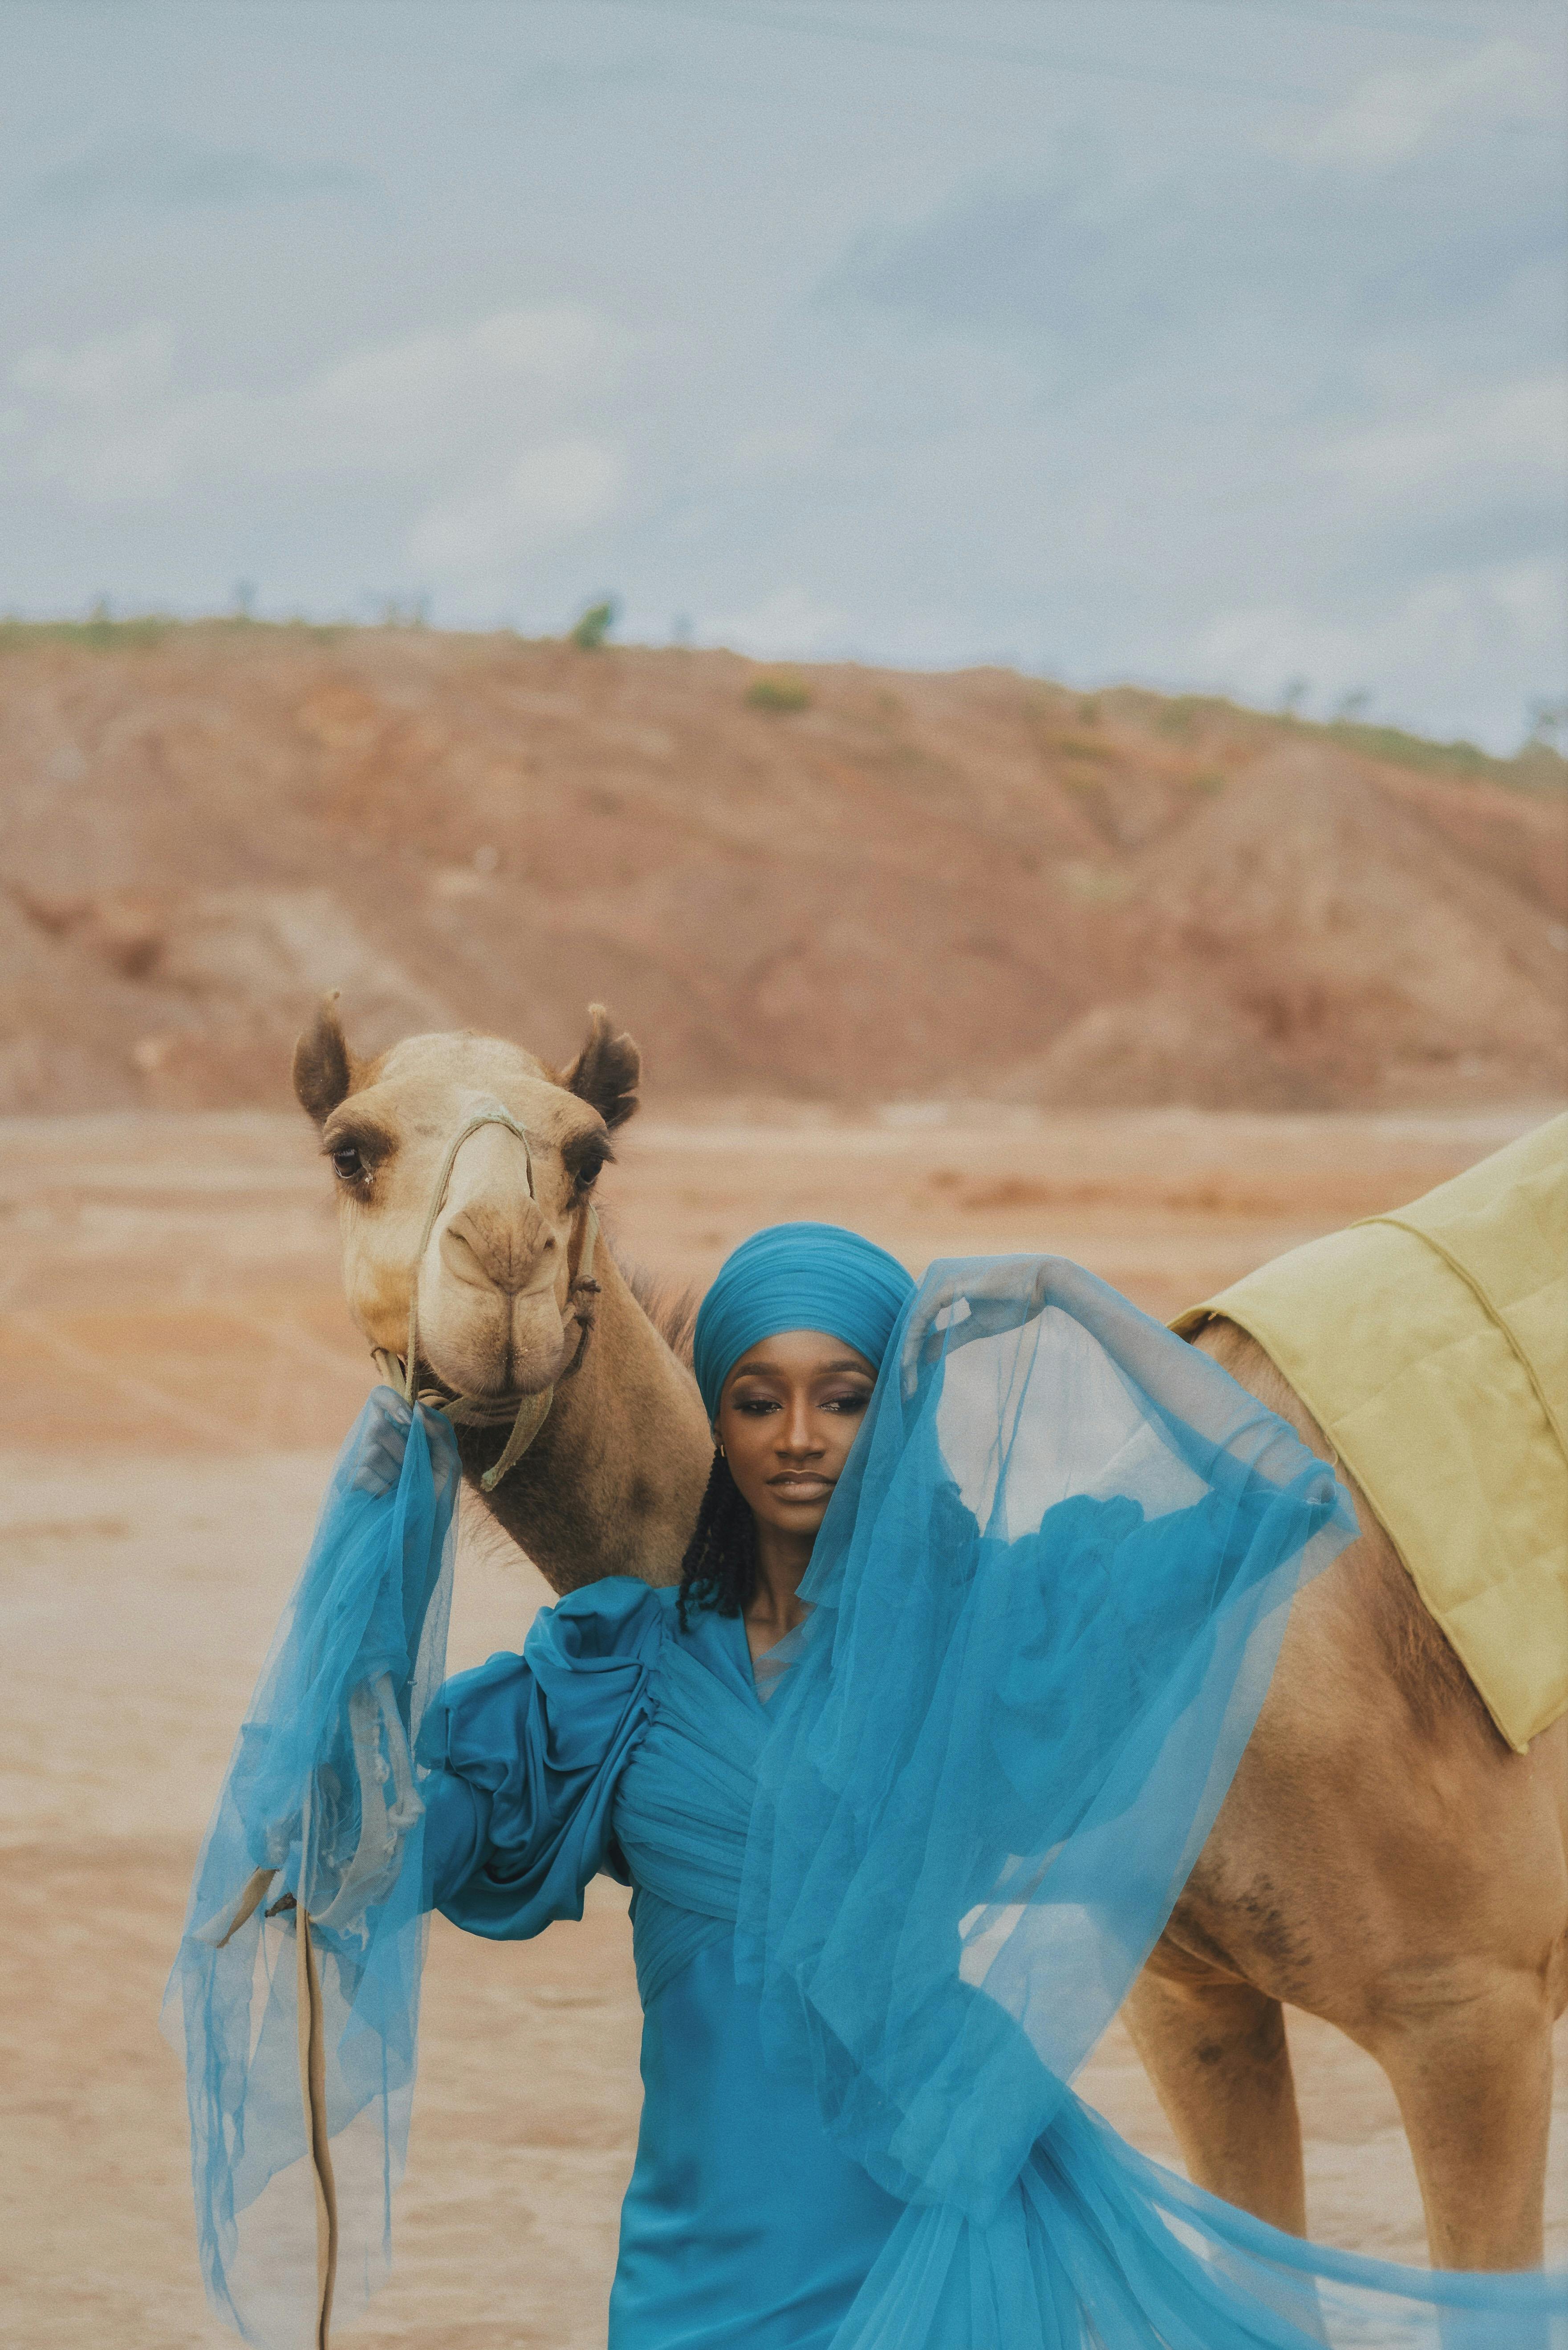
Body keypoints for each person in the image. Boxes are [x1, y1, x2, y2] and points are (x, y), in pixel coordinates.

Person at [168, 1225, 1567, 2350]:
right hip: (696, 2256)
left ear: (897, 1412)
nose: (799, 1437)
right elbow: (414, 1833)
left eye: (846, 1396)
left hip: (944, 2224)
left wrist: (1071, 1310)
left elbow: (1251, 1515)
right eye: (757, 1398)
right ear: (712, 1420)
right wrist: (363, 1593)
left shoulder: (982, 1644)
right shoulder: (617, 1675)